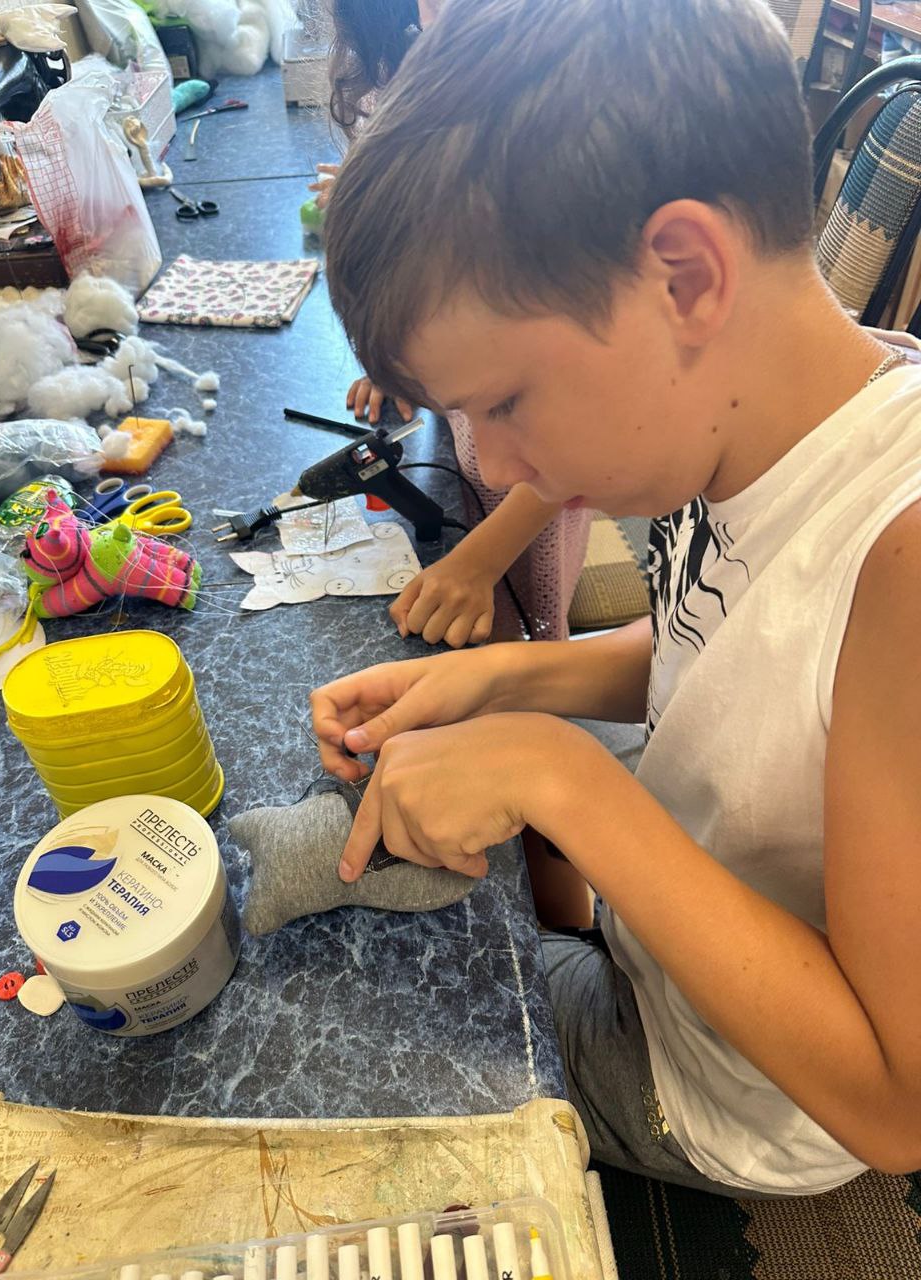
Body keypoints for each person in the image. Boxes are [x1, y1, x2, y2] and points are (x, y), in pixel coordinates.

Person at [310, 0, 921, 1198]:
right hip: (661, 955)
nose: (491, 463)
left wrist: (560, 775)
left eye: (505, 402)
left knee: (341, 1028)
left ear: (683, 275)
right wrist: (505, 677)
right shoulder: (759, 424)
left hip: (717, 1087)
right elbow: (733, 646)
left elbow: (900, 1104)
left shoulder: (904, 562)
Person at [312, 0, 593, 647]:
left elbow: (575, 440)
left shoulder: (528, 122)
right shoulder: (428, 70)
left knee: (518, 631)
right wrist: (406, 357)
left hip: (529, 509)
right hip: (507, 467)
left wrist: (481, 559)